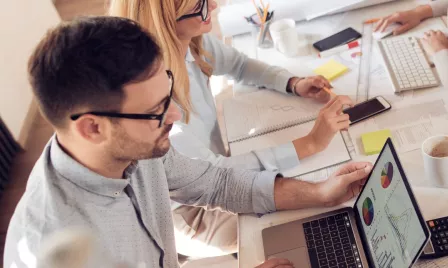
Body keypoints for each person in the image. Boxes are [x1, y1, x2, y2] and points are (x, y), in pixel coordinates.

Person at [3, 16, 370, 268]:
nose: (175, 116)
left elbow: (216, 182)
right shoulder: (57, 248)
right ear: (92, 128)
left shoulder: (134, 147)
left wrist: (321, 192)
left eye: (169, 97)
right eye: (157, 110)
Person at [108, 0, 353, 258]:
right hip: (189, 213)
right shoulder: (152, 107)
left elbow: (240, 66)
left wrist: (292, 82)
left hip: (215, 174)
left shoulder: (193, 43)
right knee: (302, 224)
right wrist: (309, 144)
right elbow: (216, 178)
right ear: (166, 20)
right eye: (199, 5)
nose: (213, 6)